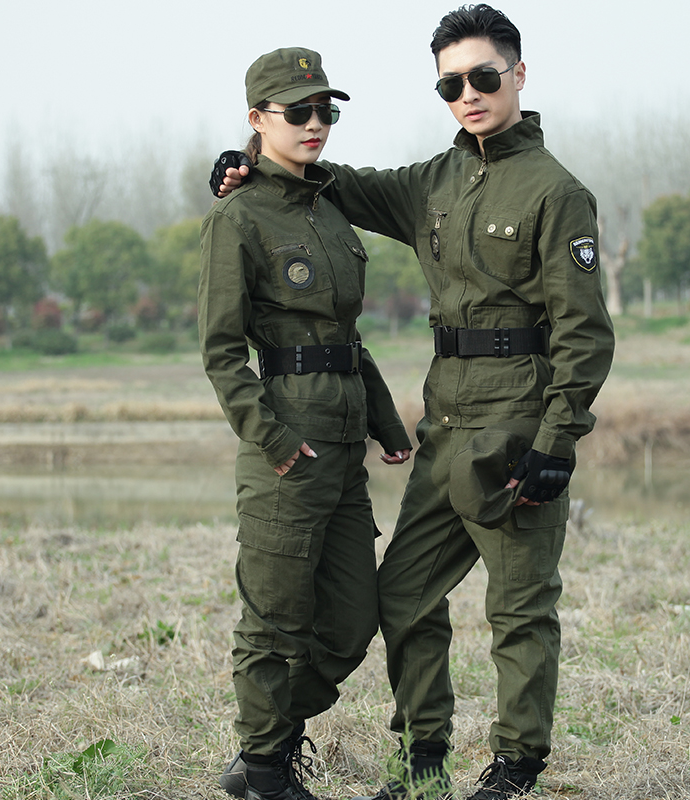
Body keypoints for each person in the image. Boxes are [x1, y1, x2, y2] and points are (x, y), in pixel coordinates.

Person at [213, 6, 615, 798]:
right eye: (450, 85)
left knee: (520, 608)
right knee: (402, 594)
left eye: (483, 77)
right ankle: (421, 762)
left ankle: (514, 769)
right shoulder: (434, 181)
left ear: (518, 75)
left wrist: (556, 442)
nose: (468, 94)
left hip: (517, 427)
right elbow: (328, 179)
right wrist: (246, 163)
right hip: (446, 426)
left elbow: (585, 333)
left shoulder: (557, 192)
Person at [199, 47, 412, 800]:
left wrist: (387, 422)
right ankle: (266, 772)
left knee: (352, 619)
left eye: (326, 111)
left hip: (344, 443)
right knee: (275, 620)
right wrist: (274, 438)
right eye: (299, 111)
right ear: (258, 119)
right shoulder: (237, 216)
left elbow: (344, 336)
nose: (315, 123)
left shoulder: (328, 207)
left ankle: (263, 743)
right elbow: (221, 352)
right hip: (287, 443)